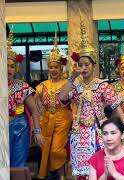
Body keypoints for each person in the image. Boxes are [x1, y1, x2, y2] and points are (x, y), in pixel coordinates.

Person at [59, 19, 124, 179]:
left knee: (102, 169)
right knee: (81, 172)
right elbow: (62, 98)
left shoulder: (102, 85)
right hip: (79, 132)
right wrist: (71, 78)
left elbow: (116, 105)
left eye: (87, 64)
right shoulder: (75, 85)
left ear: (94, 65)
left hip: (99, 131)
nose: (83, 68)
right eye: (80, 64)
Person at [35, 33, 72, 179]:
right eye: (51, 67)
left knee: (57, 149)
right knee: (46, 150)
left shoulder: (65, 84)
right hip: (46, 119)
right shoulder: (43, 85)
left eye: (56, 67)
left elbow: (73, 100)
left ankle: (62, 174)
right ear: (48, 69)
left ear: (61, 68)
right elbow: (32, 101)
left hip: (62, 119)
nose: (53, 70)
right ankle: (57, 176)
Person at [7, 31, 44, 167]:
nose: (9, 69)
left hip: (19, 127)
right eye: (5, 65)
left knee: (18, 163)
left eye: (12, 66)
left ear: (16, 68)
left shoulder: (23, 86)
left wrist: (37, 131)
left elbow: (34, 110)